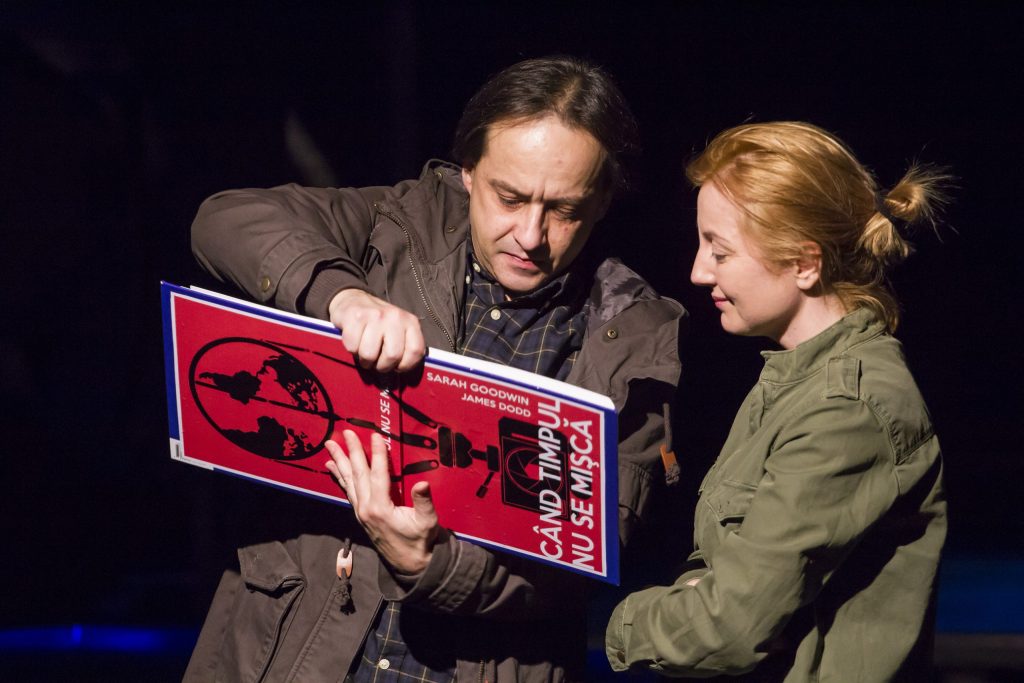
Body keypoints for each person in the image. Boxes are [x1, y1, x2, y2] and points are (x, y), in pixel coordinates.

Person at [184, 56, 685, 682]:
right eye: (509, 198)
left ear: (603, 200)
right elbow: (222, 219)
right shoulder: (398, 223)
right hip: (301, 650)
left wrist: (432, 564)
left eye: (564, 210)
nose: (531, 235)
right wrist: (343, 295)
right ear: (468, 171)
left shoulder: (632, 339)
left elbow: (585, 562)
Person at [605, 121, 948, 680]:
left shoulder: (845, 408)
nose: (697, 271)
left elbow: (730, 627)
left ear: (805, 263)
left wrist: (621, 623)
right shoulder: (795, 381)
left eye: (719, 251)